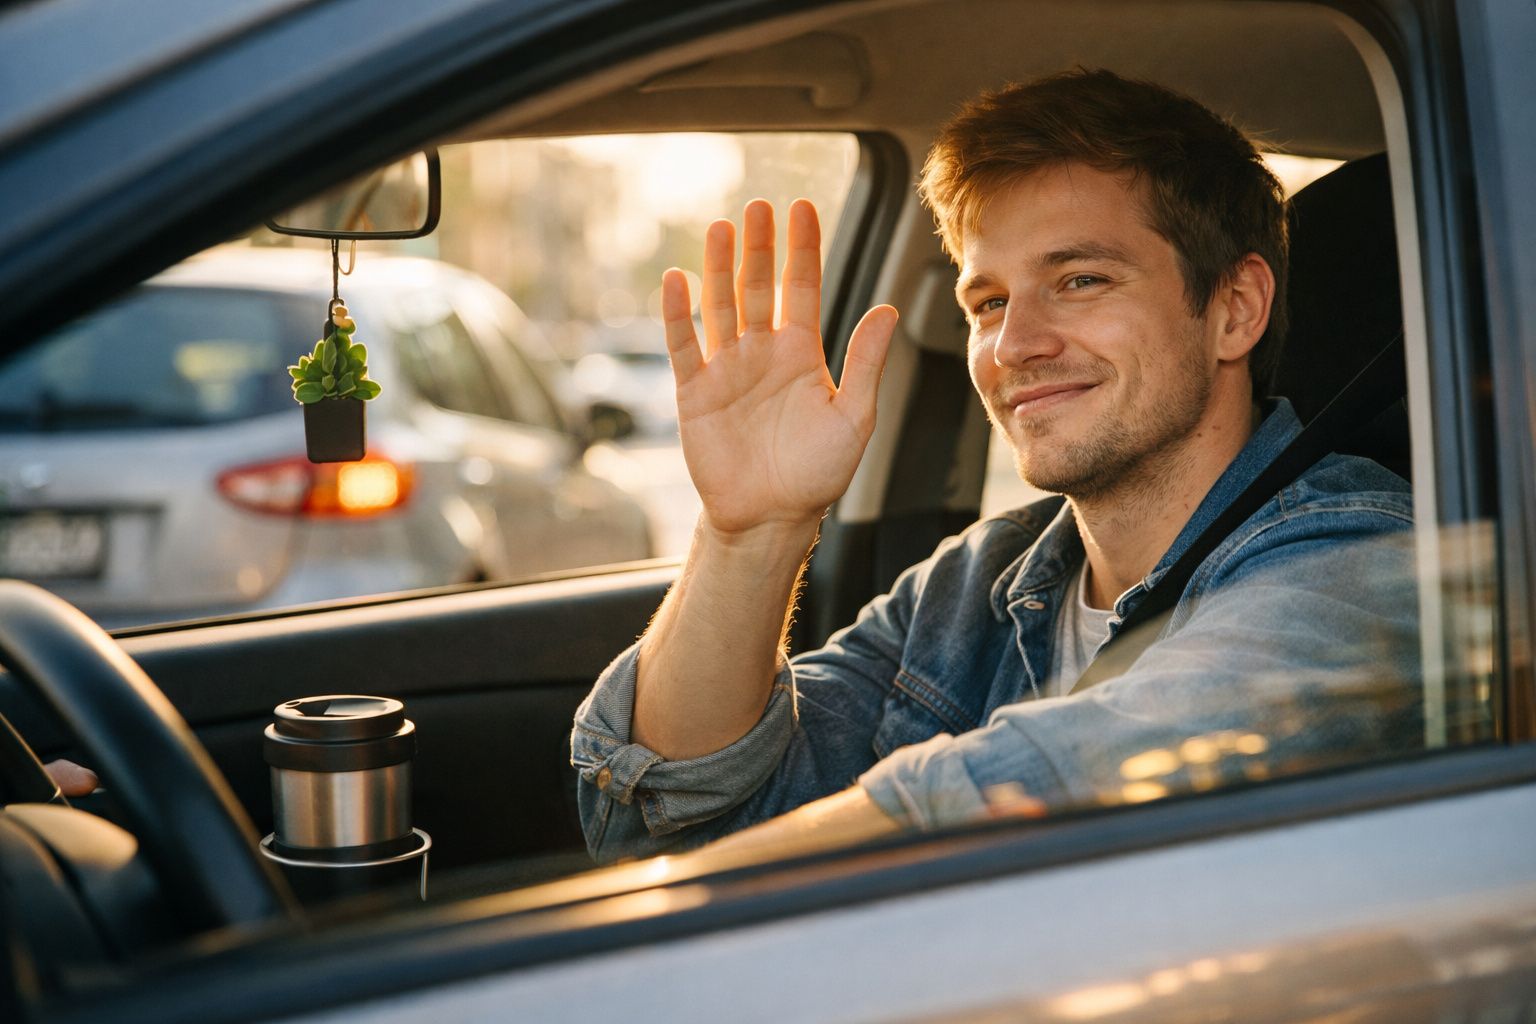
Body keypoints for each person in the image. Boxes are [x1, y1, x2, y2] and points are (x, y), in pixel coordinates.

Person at [570, 69, 1419, 863]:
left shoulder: (1358, 563)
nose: (1015, 345)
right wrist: (751, 529)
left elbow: (1026, 795)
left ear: (1234, 311)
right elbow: (668, 811)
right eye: (989, 302)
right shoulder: (976, 582)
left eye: (1081, 280)